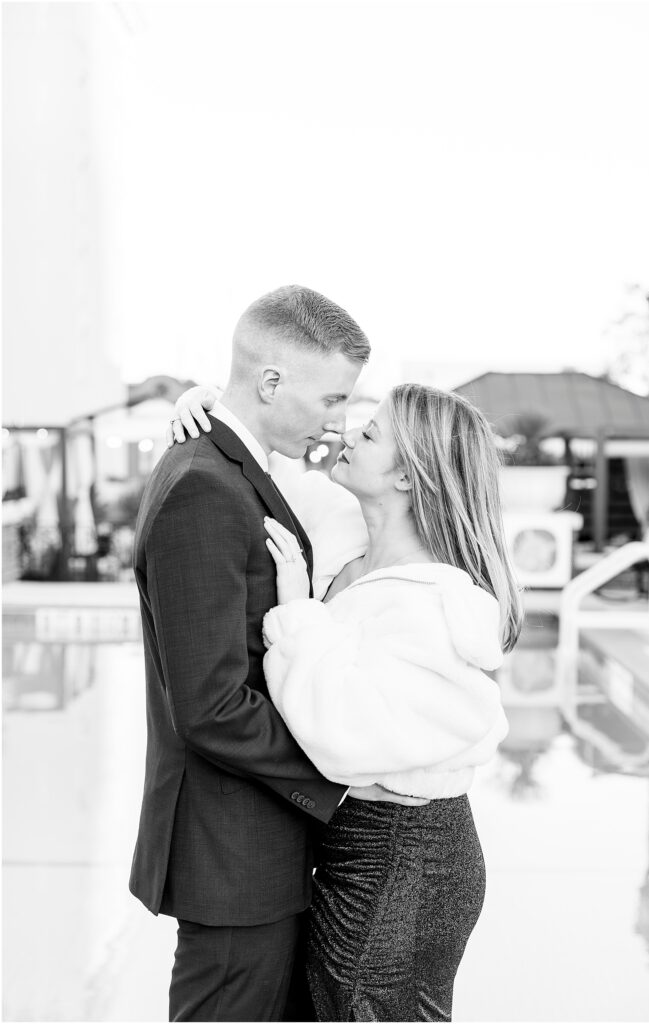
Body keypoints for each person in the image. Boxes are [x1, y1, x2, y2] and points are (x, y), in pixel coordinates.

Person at [170, 379, 522, 1022]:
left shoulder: (430, 604)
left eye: (371, 432)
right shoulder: (345, 530)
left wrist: (299, 612)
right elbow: (260, 461)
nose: (347, 433)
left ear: (408, 477)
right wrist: (210, 404)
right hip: (352, 846)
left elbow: (343, 736)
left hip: (403, 861)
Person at [130, 285, 422, 1024]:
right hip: (233, 859)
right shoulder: (204, 487)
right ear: (269, 382)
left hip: (258, 853)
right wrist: (344, 776)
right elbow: (210, 706)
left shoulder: (235, 468)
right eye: (332, 398)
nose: (338, 421)